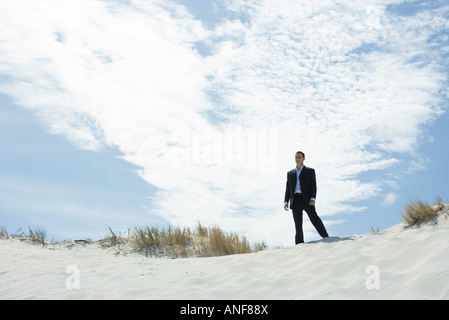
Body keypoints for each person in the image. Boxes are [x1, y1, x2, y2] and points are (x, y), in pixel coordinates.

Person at [284, 151, 329, 244]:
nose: (297, 159)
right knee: (298, 223)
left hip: (307, 200)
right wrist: (285, 201)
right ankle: (299, 243)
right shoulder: (290, 173)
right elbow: (288, 188)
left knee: (314, 218)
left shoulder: (310, 171)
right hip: (295, 200)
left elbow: (313, 186)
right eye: (296, 157)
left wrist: (313, 198)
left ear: (304, 158)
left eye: (299, 157)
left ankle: (326, 237)